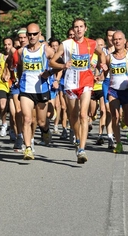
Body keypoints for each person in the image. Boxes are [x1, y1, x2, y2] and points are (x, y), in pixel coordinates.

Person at [49, 18, 107, 164]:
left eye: (81, 27)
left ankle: (82, 149)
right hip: (70, 83)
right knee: (73, 116)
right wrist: (63, 66)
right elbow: (52, 62)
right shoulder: (66, 44)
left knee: (83, 114)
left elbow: (101, 54)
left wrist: (102, 65)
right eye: (76, 27)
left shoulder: (92, 43)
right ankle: (77, 136)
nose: (79, 29)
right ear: (73, 30)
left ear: (85, 29)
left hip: (86, 81)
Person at [17, 23, 55, 160]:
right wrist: (18, 78)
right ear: (26, 35)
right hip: (26, 89)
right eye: (29, 34)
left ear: (39, 34)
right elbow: (19, 66)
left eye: (35, 34)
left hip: (42, 89)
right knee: (27, 119)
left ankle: (45, 130)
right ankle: (27, 148)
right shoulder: (22, 51)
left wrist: (49, 73)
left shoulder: (46, 50)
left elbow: (59, 64)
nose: (32, 37)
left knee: (41, 121)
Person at [106, 31, 128, 153]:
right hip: (113, 91)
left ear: (124, 41)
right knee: (115, 116)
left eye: (120, 39)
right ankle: (118, 143)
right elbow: (104, 73)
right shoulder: (109, 57)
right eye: (115, 39)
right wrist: (100, 75)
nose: (117, 41)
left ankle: (125, 121)